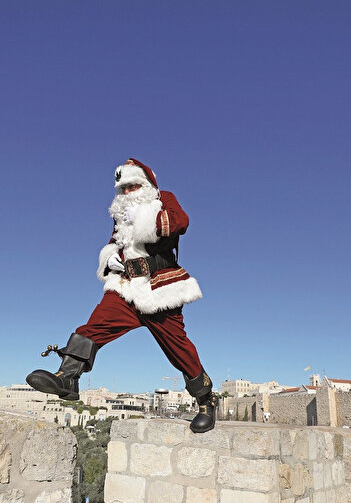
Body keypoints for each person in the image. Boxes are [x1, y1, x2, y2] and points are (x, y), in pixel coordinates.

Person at [27, 158, 217, 433]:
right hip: (126, 288)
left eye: (132, 186)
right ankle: (67, 379)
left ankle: (206, 399)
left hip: (159, 290)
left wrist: (144, 219)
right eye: (123, 188)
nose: (127, 193)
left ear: (146, 185)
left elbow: (180, 222)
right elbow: (114, 245)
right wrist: (112, 259)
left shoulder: (164, 200)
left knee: (178, 350)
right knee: (93, 327)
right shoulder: (120, 216)